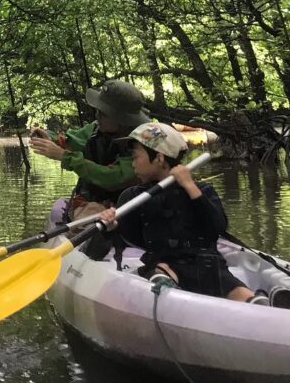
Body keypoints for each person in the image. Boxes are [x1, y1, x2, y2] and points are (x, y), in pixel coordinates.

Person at [99, 122, 267, 304]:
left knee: (231, 286)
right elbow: (133, 239)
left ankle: (258, 303)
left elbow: (217, 227)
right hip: (166, 265)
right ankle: (168, 293)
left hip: (207, 265)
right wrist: (113, 226)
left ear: (159, 158)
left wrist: (189, 186)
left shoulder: (201, 190)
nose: (133, 164)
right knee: (160, 271)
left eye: (136, 157)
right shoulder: (133, 196)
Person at [30, 79, 149, 221]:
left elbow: (115, 178)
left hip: (126, 208)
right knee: (75, 210)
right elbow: (73, 140)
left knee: (91, 214)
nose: (97, 116)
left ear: (121, 119)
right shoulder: (95, 128)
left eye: (103, 113)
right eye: (97, 111)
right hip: (95, 202)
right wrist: (49, 138)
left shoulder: (142, 143)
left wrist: (65, 157)